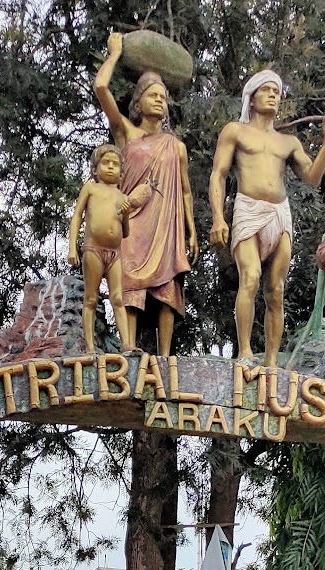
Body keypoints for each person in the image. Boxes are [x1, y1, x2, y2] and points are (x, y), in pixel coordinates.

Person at [208, 71, 325, 364]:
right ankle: (244, 351)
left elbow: (312, 177)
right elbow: (218, 174)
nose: (273, 95)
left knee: (276, 290)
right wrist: (218, 217)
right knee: (251, 277)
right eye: (266, 90)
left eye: (277, 91)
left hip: (280, 215)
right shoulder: (235, 131)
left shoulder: (288, 142)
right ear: (252, 97)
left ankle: (271, 363)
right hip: (248, 210)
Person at [93, 32, 198, 356]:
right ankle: (128, 345)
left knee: (168, 286)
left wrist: (191, 231)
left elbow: (185, 191)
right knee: (131, 282)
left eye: (163, 97)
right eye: (152, 95)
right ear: (138, 102)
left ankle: (165, 356)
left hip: (167, 223)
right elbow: (101, 89)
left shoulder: (175, 145)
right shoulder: (126, 132)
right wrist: (114, 54)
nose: (159, 100)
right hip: (131, 220)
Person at [68, 143, 151, 350]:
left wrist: (124, 214)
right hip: (93, 249)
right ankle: (89, 345)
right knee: (91, 298)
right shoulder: (91, 188)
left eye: (115, 164)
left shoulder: (122, 197)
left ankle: (127, 344)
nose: (111, 167)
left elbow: (125, 232)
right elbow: (77, 216)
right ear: (95, 169)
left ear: (122, 173)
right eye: (106, 163)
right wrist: (72, 247)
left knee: (117, 298)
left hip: (115, 254)